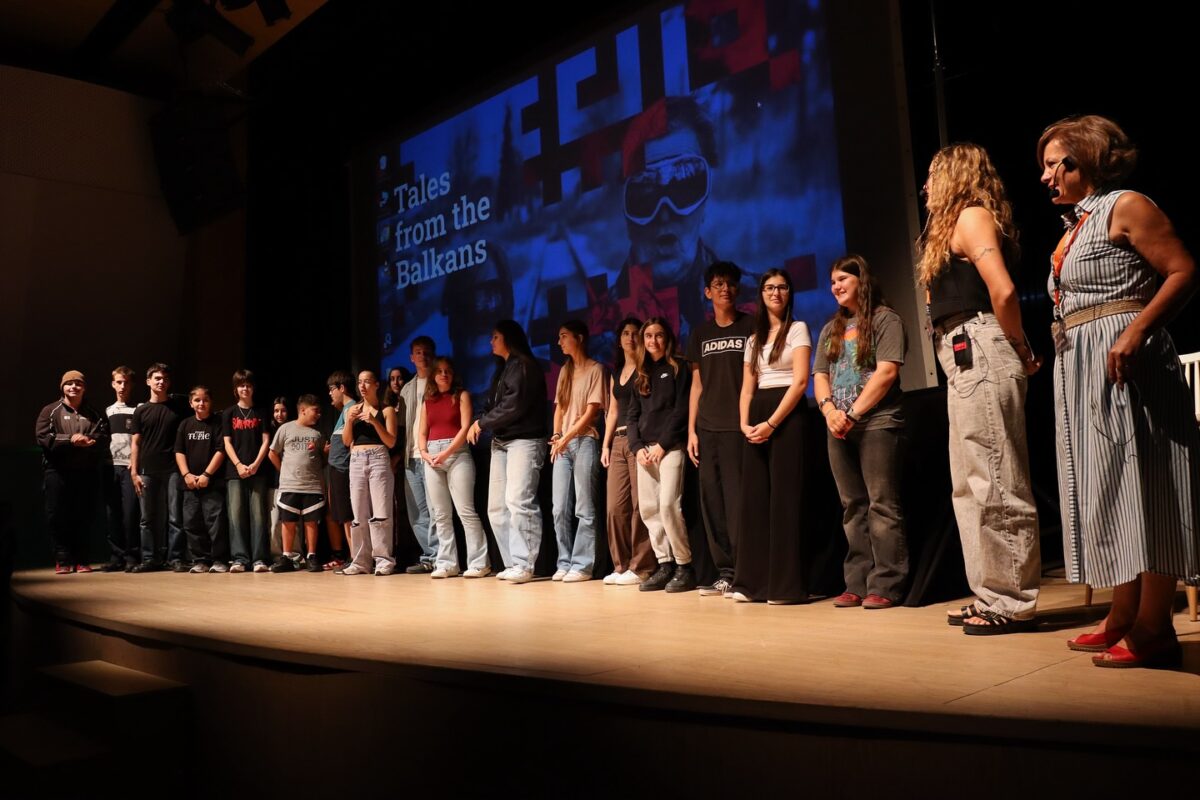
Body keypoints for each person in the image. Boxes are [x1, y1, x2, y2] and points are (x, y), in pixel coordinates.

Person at [1038, 115, 1200, 667]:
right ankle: (1123, 613)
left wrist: (1136, 332)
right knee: (1112, 489)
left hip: (1131, 363)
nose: (1045, 176)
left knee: (1148, 487)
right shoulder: (1076, 224)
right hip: (1087, 369)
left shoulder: (1127, 205)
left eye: (1053, 164)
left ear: (1083, 160)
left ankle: (1156, 627)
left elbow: (1182, 271)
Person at [918, 142, 1042, 633]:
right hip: (961, 354)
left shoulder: (972, 216)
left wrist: (1021, 347)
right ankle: (991, 592)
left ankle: (1011, 601)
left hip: (982, 344)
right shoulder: (950, 226)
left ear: (956, 174)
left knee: (996, 477)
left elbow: (1004, 290)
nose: (926, 185)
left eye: (933, 174)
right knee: (968, 485)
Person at [813, 255, 909, 609]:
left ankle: (886, 583)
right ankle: (856, 582)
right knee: (852, 506)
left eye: (843, 279)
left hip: (878, 422)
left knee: (882, 504)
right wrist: (829, 411)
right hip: (838, 426)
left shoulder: (886, 319)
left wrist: (851, 414)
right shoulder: (831, 329)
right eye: (832, 281)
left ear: (861, 280)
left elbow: (887, 372)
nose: (836, 286)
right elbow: (820, 375)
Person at [730, 269, 811, 604]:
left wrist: (772, 423)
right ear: (761, 294)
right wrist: (744, 424)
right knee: (755, 500)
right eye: (769, 288)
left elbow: (801, 382)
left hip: (787, 415)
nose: (775, 293)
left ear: (789, 293)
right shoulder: (753, 339)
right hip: (757, 416)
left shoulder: (798, 329)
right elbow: (747, 389)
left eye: (782, 287)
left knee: (784, 501)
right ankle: (752, 584)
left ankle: (784, 587)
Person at [685, 261, 755, 598]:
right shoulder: (700, 333)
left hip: (738, 426)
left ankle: (745, 571)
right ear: (707, 292)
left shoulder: (751, 326)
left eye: (730, 284)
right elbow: (696, 385)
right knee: (712, 503)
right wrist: (691, 431)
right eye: (718, 284)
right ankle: (725, 572)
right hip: (707, 428)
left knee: (737, 503)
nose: (725, 289)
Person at [467, 320, 548, 584]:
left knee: (519, 501)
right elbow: (491, 405)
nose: (491, 341)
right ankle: (512, 562)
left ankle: (524, 564)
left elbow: (513, 406)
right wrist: (480, 419)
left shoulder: (523, 365)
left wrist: (482, 423)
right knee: (496, 508)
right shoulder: (502, 369)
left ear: (508, 338)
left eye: (495, 337)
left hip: (524, 440)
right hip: (501, 442)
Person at [628, 317, 694, 592]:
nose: (653, 341)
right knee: (649, 509)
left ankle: (684, 565)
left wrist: (663, 445)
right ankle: (664, 563)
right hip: (645, 451)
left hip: (670, 448)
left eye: (658, 335)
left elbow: (681, 410)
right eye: (648, 336)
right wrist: (636, 448)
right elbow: (632, 416)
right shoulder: (640, 373)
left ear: (667, 338)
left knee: (668, 505)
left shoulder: (679, 367)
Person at [418, 357, 491, 579]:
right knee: (440, 514)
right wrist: (425, 454)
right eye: (439, 371)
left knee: (465, 511)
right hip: (432, 457)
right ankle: (447, 563)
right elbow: (422, 432)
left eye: (448, 371)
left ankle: (479, 563)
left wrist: (446, 453)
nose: (444, 374)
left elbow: (465, 427)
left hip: (457, 454)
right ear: (433, 376)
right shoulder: (427, 401)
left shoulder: (461, 395)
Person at [550, 320, 608, 582]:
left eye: (564, 336)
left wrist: (567, 436)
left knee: (584, 506)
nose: (560, 342)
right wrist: (557, 436)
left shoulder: (596, 369)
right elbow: (560, 408)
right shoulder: (565, 370)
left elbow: (591, 412)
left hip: (585, 441)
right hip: (563, 444)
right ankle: (564, 562)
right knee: (559, 507)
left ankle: (583, 565)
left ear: (580, 338)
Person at [36, 370, 110, 573]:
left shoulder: (94, 413)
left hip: (86, 472)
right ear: (62, 387)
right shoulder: (50, 411)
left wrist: (90, 441)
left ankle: (82, 560)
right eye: (69, 384)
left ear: (84, 388)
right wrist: (71, 440)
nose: (74, 387)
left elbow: (104, 437)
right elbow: (43, 437)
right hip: (56, 472)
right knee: (57, 515)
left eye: (78, 384)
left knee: (84, 515)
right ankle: (63, 559)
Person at [600, 317, 656, 585]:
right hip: (618, 442)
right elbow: (612, 411)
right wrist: (605, 444)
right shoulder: (616, 373)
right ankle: (620, 565)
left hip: (638, 440)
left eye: (635, 333)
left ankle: (641, 566)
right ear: (619, 339)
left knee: (639, 505)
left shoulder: (647, 369)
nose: (630, 338)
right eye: (625, 333)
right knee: (614, 507)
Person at [130, 363, 190, 572]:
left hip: (173, 469)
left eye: (164, 379)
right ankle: (149, 559)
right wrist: (134, 471)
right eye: (157, 378)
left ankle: (175, 558)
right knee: (147, 518)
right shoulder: (141, 410)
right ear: (148, 381)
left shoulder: (178, 408)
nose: (161, 382)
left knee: (175, 517)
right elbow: (135, 442)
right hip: (147, 469)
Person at [339, 372, 399, 575]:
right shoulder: (353, 410)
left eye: (366, 382)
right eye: (359, 382)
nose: (362, 386)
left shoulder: (386, 410)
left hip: (378, 458)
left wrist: (374, 421)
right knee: (358, 514)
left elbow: (391, 441)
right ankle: (360, 562)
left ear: (376, 385)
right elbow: (346, 441)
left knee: (381, 512)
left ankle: (383, 561)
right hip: (356, 459)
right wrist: (349, 421)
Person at [269, 394, 326, 573]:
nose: (318, 414)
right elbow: (272, 453)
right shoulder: (286, 429)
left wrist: (325, 453)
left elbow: (321, 460)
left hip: (312, 486)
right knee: (288, 521)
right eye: (315, 411)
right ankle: (287, 557)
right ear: (303, 410)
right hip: (290, 485)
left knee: (311, 522)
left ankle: (311, 556)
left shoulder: (317, 434)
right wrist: (284, 471)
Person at [222, 369, 271, 575]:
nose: (245, 389)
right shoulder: (229, 413)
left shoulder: (261, 412)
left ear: (253, 388)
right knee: (236, 515)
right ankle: (239, 558)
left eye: (248, 385)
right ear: (236, 389)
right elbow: (226, 442)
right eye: (241, 385)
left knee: (258, 515)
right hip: (235, 472)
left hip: (258, 470)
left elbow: (266, 441)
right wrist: (239, 465)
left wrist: (256, 464)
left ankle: (259, 558)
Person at [174, 386, 228, 573]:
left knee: (216, 522)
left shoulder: (218, 423)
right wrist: (186, 475)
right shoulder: (185, 424)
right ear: (191, 403)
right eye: (197, 400)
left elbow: (221, 450)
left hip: (212, 482)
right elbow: (179, 451)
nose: (201, 403)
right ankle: (200, 560)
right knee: (192, 523)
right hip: (190, 484)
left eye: (205, 400)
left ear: (211, 402)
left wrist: (207, 474)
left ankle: (219, 560)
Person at [397, 337, 437, 573]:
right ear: (412, 358)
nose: (423, 356)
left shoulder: (440, 381)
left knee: (436, 509)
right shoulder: (407, 388)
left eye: (427, 351)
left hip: (433, 454)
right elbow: (403, 426)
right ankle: (429, 556)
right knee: (417, 512)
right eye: (418, 352)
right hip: (410, 457)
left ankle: (442, 556)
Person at [102, 366, 141, 572]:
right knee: (113, 514)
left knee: (130, 514)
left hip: (129, 467)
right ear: (113, 384)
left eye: (126, 382)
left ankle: (132, 556)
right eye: (119, 382)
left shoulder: (138, 409)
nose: (122, 386)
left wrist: (136, 463)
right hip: (111, 467)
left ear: (132, 385)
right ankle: (116, 557)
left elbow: (140, 441)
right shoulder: (108, 411)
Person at [322, 374, 353, 570]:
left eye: (332, 389)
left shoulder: (352, 409)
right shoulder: (344, 411)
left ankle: (355, 557)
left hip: (344, 469)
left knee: (348, 515)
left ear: (342, 388)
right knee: (341, 515)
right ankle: (351, 556)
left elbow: (350, 442)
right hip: (337, 469)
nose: (330, 394)